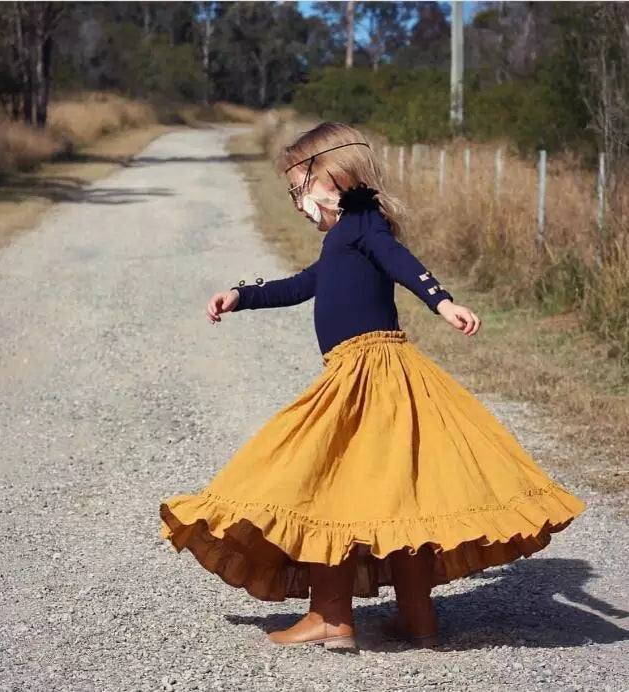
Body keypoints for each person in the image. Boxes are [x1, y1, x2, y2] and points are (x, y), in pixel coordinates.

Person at [160, 122, 586, 652]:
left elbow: (402, 263)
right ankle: (416, 617)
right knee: (397, 496)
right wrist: (240, 294)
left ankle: (332, 616)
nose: (297, 203)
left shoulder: (364, 223)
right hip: (369, 371)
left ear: (333, 175)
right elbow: (300, 286)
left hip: (367, 372)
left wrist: (442, 301)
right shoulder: (341, 239)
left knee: (326, 484)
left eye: (299, 188)